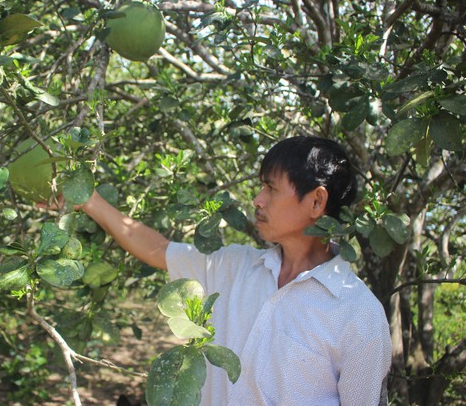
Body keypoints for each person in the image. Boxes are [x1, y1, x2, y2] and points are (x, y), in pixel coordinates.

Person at [71, 136, 392, 405]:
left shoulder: (358, 314)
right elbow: (159, 250)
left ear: (316, 202)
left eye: (271, 188)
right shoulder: (235, 267)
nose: (258, 199)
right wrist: (87, 198)